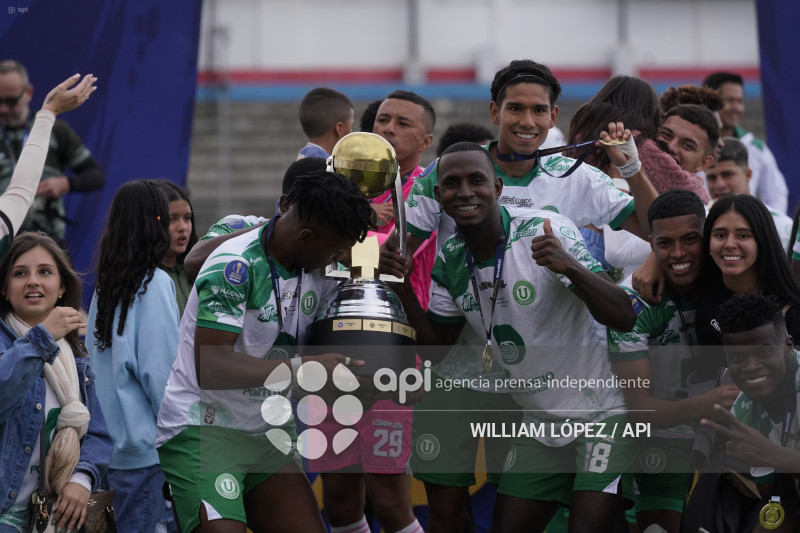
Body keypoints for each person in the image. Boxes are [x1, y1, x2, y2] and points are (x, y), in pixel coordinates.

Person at [382, 141, 637, 533]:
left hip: (601, 417)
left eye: (476, 180)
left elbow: (622, 315)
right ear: (438, 196)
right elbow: (435, 350)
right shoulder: (450, 257)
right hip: (539, 424)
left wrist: (571, 267)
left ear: (497, 187)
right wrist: (401, 288)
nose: (465, 192)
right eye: (452, 184)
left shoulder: (545, 230)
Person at [156, 170, 373, 533]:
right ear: (306, 236)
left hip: (267, 432)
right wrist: (306, 369)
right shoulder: (234, 265)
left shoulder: (319, 263)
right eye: (337, 250)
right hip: (203, 429)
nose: (342, 257)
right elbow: (213, 366)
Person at [311, 91, 437, 533]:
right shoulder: (335, 190)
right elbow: (310, 248)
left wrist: (351, 248)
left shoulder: (425, 193)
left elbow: (398, 255)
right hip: (329, 351)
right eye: (383, 119)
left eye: (403, 123)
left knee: (388, 497)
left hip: (394, 355)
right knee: (340, 498)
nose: (388, 128)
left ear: (426, 139)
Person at [607, 189, 740, 532]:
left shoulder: (733, 279)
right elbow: (640, 410)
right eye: (664, 244)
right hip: (662, 442)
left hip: (734, 442)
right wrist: (705, 404)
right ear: (650, 243)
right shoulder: (635, 304)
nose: (679, 253)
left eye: (691, 240)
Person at [0, 232, 112, 532]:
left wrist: (81, 479)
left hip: (53, 518)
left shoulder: (75, 356)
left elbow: (99, 434)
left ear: (61, 287)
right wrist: (42, 339)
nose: (33, 281)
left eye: (45, 272)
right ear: (4, 288)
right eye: (20, 273)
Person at [87, 180, 180, 532]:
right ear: (155, 222)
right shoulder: (153, 284)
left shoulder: (106, 287)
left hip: (106, 455)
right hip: (145, 458)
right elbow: (162, 377)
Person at [567, 78, 714, 281]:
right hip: (597, 240)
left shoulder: (585, 129)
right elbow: (680, 186)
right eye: (665, 135)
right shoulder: (634, 141)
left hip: (571, 230)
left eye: (687, 145)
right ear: (649, 112)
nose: (669, 149)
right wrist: (702, 192)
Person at [702, 293, 800, 531]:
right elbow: (781, 502)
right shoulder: (743, 411)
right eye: (736, 357)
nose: (751, 367)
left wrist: (774, 455)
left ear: (788, 346)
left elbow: (774, 459)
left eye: (764, 352)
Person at [0, 60, 105, 244]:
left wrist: (66, 183)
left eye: (11, 101)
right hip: (4, 238)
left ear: (29, 93)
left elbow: (96, 176)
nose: (3, 109)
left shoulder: (56, 130)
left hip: (49, 239)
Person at [703, 72, 789, 213]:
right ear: (710, 103)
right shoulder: (692, 146)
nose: (737, 108)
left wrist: (766, 227)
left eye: (740, 101)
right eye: (730, 100)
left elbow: (776, 194)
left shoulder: (756, 147)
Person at [706, 137, 793, 250]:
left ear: (748, 175)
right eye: (712, 178)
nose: (719, 184)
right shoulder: (700, 223)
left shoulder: (782, 227)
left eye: (727, 175)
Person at [155, 180, 198, 317]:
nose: (183, 227)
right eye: (172, 219)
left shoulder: (199, 273)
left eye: (187, 218)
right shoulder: (144, 280)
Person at [297, 87, 354, 160]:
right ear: (339, 129)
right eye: (351, 126)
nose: (352, 133)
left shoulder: (303, 157)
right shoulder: (325, 167)